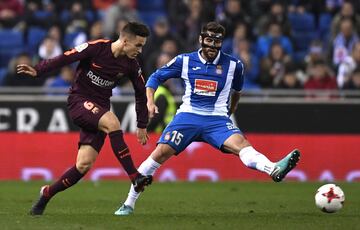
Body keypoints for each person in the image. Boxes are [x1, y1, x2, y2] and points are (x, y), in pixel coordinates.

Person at [114, 21, 301, 216]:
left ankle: (273, 168)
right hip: (188, 116)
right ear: (201, 39)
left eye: (217, 41)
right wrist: (150, 102)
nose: (212, 46)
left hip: (217, 119)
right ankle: (128, 204)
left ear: (222, 43)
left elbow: (237, 90)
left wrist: (233, 108)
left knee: (242, 146)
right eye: (209, 40)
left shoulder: (234, 65)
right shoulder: (185, 61)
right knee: (159, 153)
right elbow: (154, 78)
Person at [16, 22, 153, 215]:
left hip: (99, 109)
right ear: (124, 41)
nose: (140, 50)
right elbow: (66, 57)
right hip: (79, 101)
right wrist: (39, 69)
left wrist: (142, 124)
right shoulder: (96, 48)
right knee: (113, 122)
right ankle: (134, 176)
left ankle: (47, 194)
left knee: (83, 165)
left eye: (143, 46)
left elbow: (140, 93)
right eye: (138, 45)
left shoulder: (131, 64)